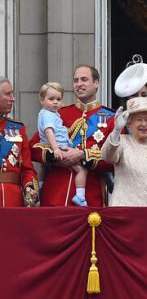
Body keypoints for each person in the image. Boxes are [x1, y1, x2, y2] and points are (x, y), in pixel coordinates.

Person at [30, 65, 116, 206]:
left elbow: (115, 160)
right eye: (76, 80)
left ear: (96, 83)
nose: (79, 84)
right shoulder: (59, 113)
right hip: (55, 195)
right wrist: (55, 156)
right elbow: (33, 148)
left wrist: (83, 155)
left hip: (90, 197)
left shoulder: (110, 118)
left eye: (84, 79)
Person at [37, 82, 89, 206]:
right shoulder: (51, 114)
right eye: (76, 80)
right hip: (59, 151)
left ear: (96, 83)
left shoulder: (55, 113)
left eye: (58, 99)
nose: (55, 102)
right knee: (82, 170)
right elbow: (42, 139)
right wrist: (55, 149)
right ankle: (80, 196)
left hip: (94, 191)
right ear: (42, 100)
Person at [0, 77, 38, 207]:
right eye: (7, 94)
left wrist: (29, 187)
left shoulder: (17, 129)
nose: (12, 98)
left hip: (12, 200)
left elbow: (27, 168)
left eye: (12, 93)